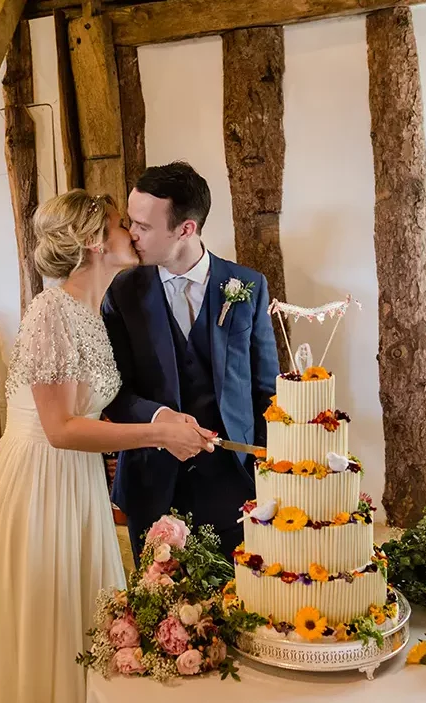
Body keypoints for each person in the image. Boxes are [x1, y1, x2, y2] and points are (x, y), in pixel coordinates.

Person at [0, 189, 215, 703]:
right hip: (37, 483)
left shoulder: (92, 312)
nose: (132, 235)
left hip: (75, 481)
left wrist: (169, 421)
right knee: (47, 615)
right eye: (123, 226)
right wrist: (158, 434)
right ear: (96, 241)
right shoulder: (50, 311)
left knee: (80, 615)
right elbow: (62, 429)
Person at [103, 162, 280, 564]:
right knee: (162, 616)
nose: (131, 234)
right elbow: (114, 392)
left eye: (143, 226)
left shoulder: (246, 286)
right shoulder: (122, 292)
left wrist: (268, 478)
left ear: (186, 229)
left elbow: (267, 391)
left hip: (233, 482)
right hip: (153, 480)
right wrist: (161, 422)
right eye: (131, 221)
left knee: (236, 607)